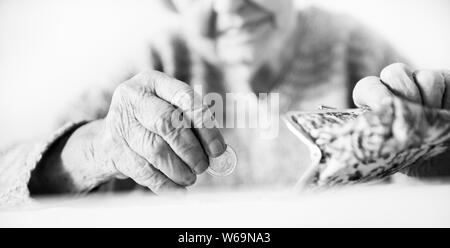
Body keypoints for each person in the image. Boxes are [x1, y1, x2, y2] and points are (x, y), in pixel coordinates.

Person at [1, 0, 449, 206]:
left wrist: (439, 157)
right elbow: (9, 185)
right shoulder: (152, 63)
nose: (232, 7)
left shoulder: (355, 49)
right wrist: (96, 149)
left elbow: (433, 164)